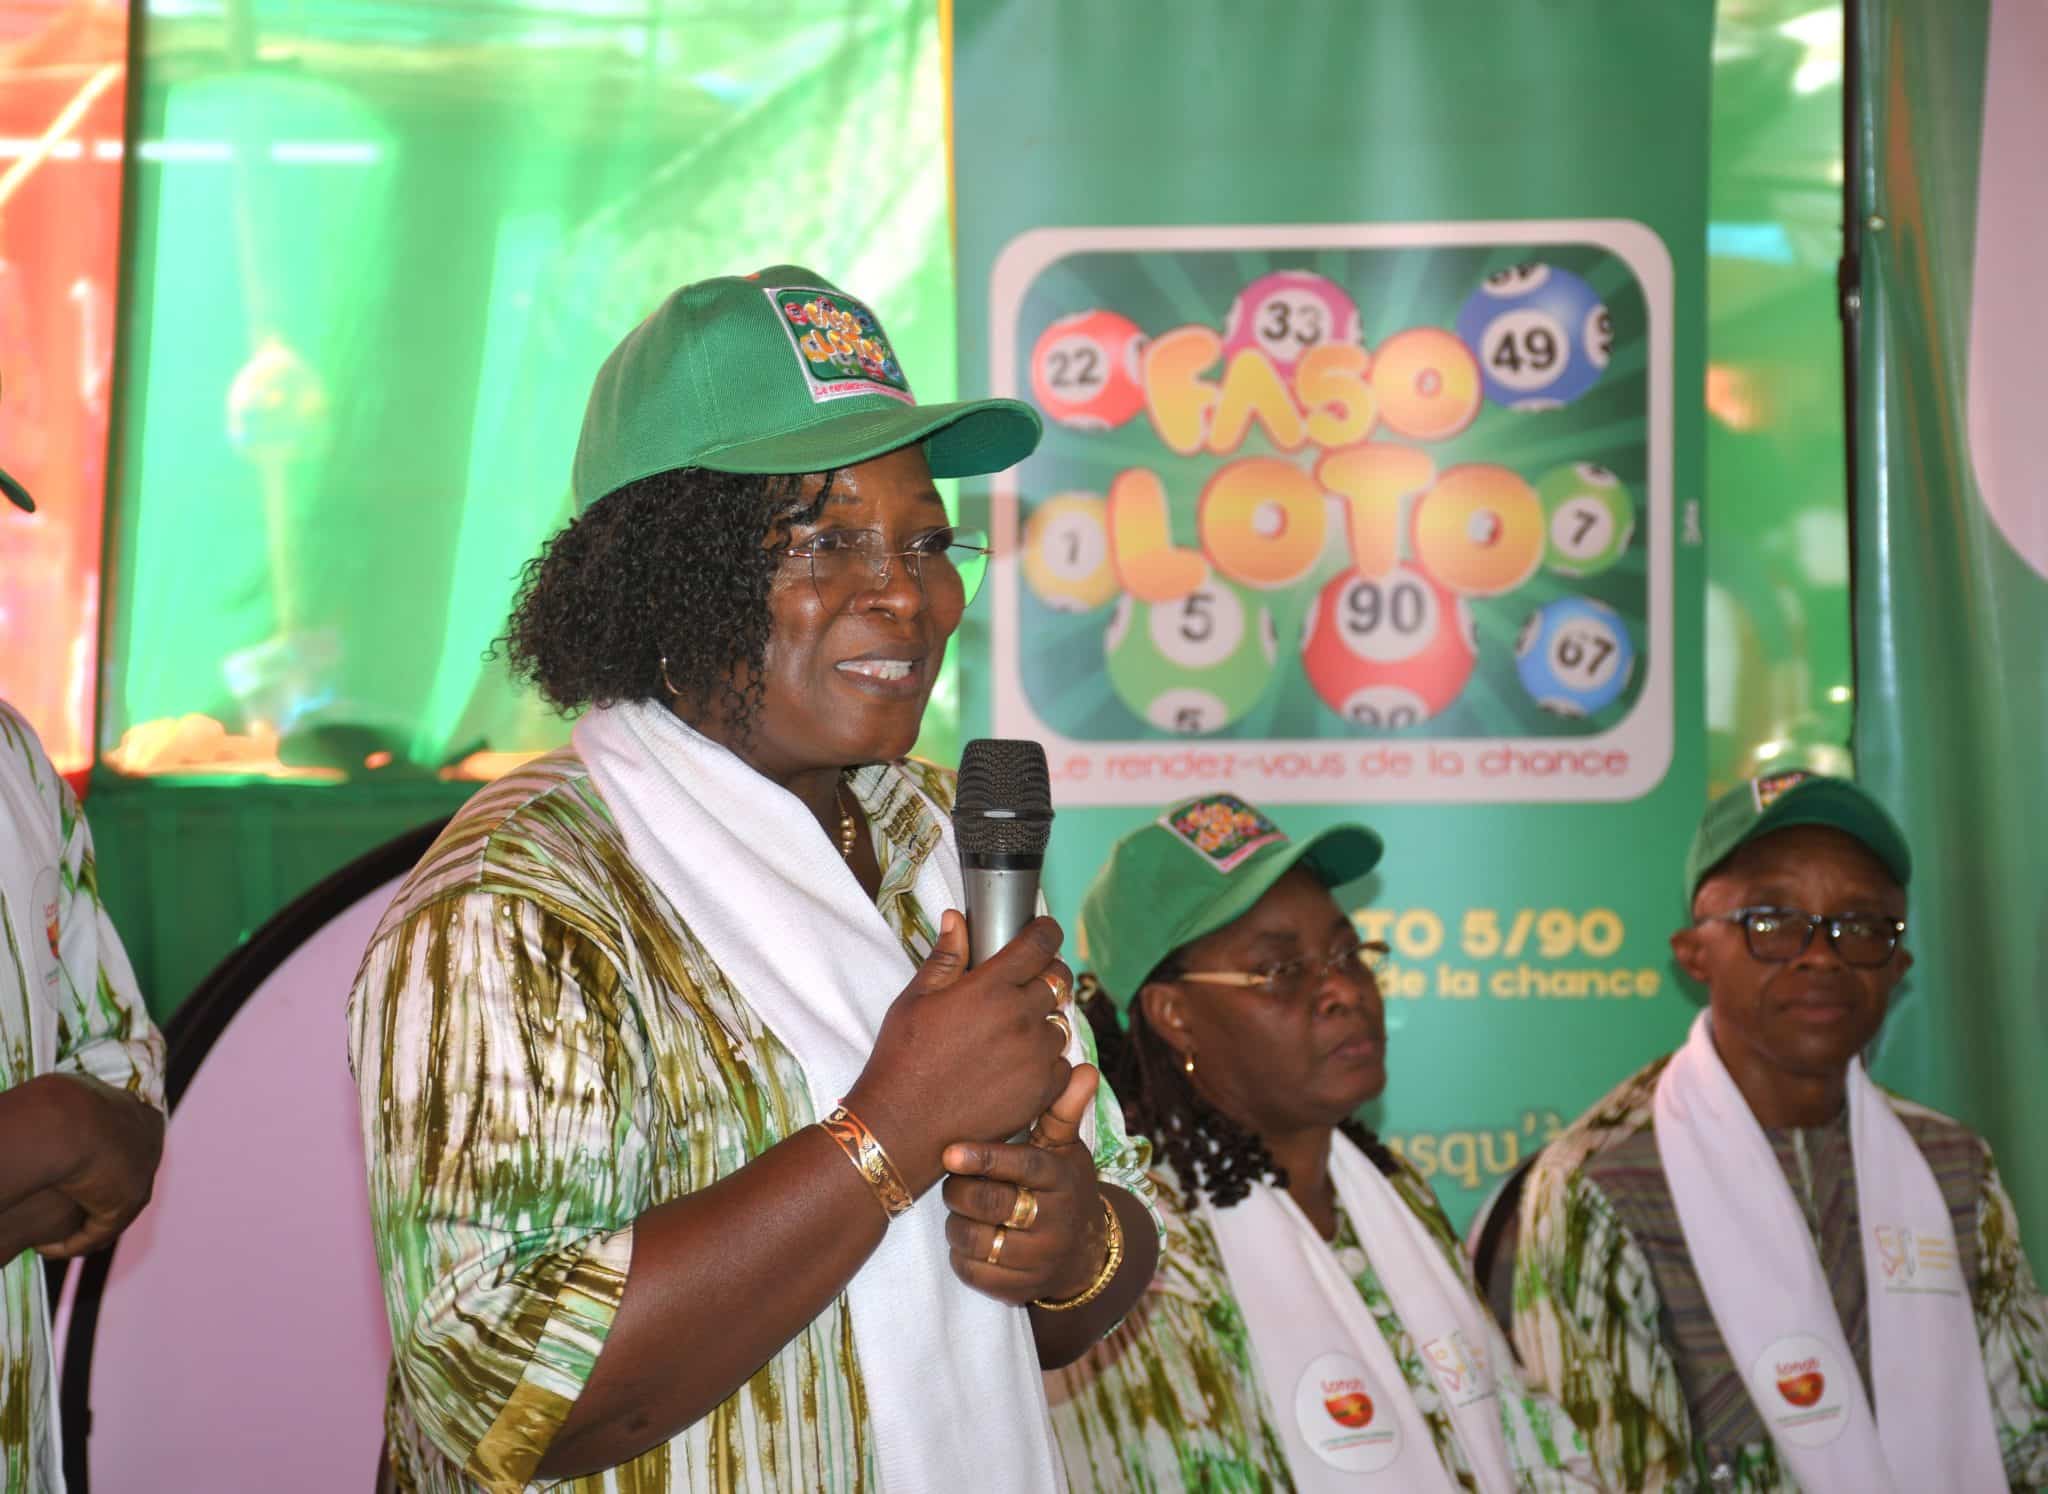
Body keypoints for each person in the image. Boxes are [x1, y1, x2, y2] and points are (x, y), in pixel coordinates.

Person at [348, 266, 1160, 1492]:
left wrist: (1067, 1241)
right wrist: (886, 1131)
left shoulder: (944, 833)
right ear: (660, 577)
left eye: (928, 541)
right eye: (827, 540)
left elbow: (1105, 1247)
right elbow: (508, 1399)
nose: (905, 592)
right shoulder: (519, 903)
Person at [1490, 770, 2048, 1492]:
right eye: (1772, 921)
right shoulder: (1603, 1186)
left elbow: (2026, 1441)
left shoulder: (1953, 1166)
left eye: (1861, 926)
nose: (1821, 954)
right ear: (1693, 953)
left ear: (1898, 965)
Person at [1051, 792, 1595, 1492]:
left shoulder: (1392, 1188)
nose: (1343, 989)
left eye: (1345, 952)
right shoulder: (1133, 1248)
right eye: (1281, 971)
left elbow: (1527, 1445)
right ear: (1174, 1015)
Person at [0, 651, 168, 1485]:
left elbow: (126, 1077)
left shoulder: (13, 753)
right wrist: (57, 1127)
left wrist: (69, 1125)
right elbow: (86, 1128)